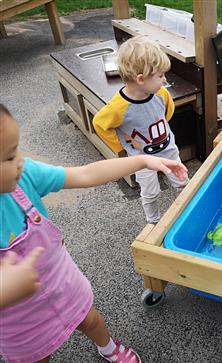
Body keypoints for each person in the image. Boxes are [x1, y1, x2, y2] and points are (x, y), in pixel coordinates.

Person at [0, 103, 187, 362]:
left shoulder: (24, 176)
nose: (21, 160)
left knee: (90, 320)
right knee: (39, 356)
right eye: (9, 157)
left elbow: (86, 174)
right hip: (19, 320)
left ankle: (107, 346)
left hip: (60, 283)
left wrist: (142, 160)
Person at [94, 35, 189, 224]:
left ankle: (187, 211)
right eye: (160, 75)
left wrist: (163, 130)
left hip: (168, 151)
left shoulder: (161, 93)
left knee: (182, 182)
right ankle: (153, 221)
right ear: (141, 79)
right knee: (150, 192)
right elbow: (100, 124)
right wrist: (122, 146)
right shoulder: (118, 107)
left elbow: (167, 111)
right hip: (141, 160)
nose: (164, 79)